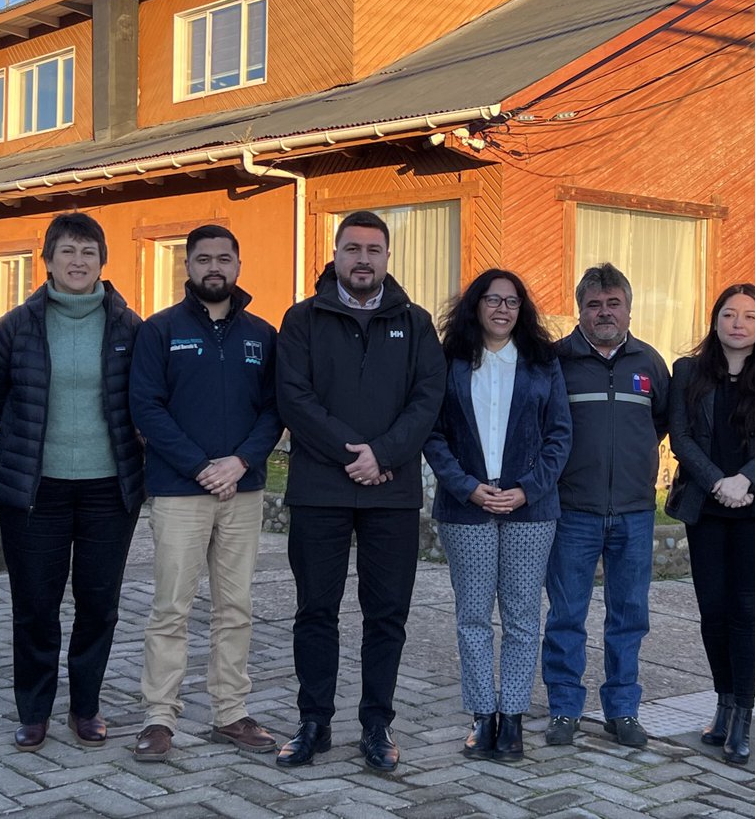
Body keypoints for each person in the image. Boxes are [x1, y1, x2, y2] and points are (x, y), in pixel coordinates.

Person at [275, 210, 445, 772]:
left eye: (374, 249)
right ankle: (314, 721)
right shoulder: (302, 319)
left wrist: (386, 455)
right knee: (315, 611)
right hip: (320, 490)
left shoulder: (416, 323)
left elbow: (428, 398)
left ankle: (377, 724)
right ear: (336, 254)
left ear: (387, 257)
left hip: (391, 493)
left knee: (386, 615)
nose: (363, 259)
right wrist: (357, 454)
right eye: (353, 249)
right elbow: (294, 399)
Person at [0, 212, 144, 753]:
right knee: (35, 602)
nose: (79, 262)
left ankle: (86, 707)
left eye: (89, 252)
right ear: (47, 260)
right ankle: (33, 711)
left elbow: (145, 400)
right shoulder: (15, 326)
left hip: (109, 488)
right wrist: (32, 441)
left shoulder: (129, 326)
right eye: (68, 251)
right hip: (35, 490)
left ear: (103, 261)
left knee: (99, 602)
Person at [129, 224, 282, 762]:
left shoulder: (263, 335)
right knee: (171, 607)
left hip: (243, 489)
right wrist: (200, 467)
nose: (213, 267)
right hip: (179, 491)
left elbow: (274, 410)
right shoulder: (160, 331)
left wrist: (240, 462)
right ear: (187, 266)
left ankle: (230, 713)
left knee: (235, 607)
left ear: (238, 265)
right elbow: (146, 407)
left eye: (223, 258)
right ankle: (158, 718)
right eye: (202, 259)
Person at [423, 269, 572, 761]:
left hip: (530, 510)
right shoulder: (449, 362)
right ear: (476, 306)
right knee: (472, 616)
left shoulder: (542, 363)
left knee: (523, 616)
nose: (503, 309)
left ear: (522, 309)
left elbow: (559, 436)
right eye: (493, 300)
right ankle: (481, 717)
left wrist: (526, 491)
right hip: (468, 509)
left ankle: (512, 719)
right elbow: (434, 435)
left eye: (512, 301)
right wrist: (468, 488)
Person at [666, 283, 755, 765]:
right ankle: (723, 704)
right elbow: (680, 436)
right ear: (715, 320)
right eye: (728, 314)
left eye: (748, 315)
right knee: (712, 611)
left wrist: (743, 479)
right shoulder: (688, 372)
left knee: (745, 610)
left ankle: (743, 715)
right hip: (706, 506)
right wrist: (718, 481)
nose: (738, 323)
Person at [541, 263, 669, 749]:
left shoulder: (650, 364)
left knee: (629, 615)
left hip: (635, 513)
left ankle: (623, 711)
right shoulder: (557, 362)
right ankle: (564, 709)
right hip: (573, 511)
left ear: (628, 308)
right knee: (567, 614)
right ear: (580, 310)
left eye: (613, 303)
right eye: (594, 304)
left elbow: (658, 424)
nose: (604, 312)